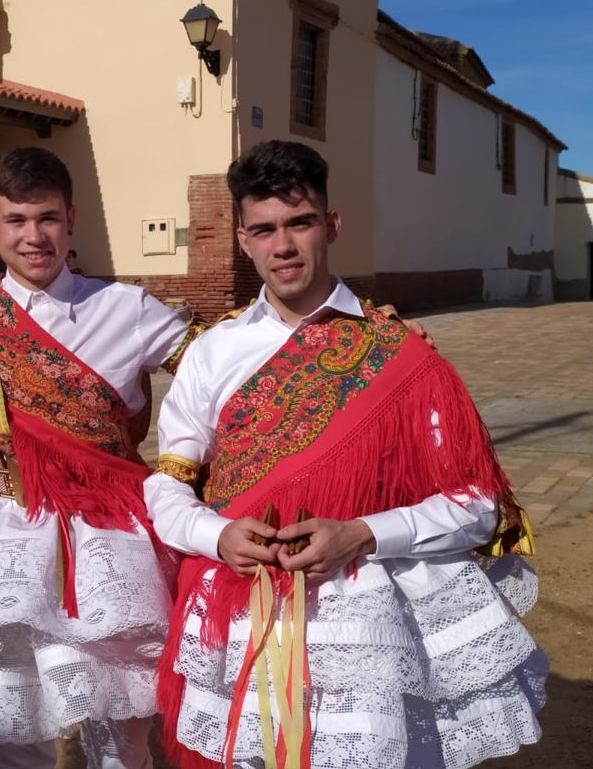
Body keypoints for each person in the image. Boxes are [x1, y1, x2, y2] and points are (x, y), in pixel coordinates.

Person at [148, 140, 544, 769]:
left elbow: (477, 506)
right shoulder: (211, 352)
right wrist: (216, 534)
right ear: (244, 240)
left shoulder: (401, 355)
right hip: (241, 605)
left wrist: (362, 533)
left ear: (331, 225)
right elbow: (167, 486)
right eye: (264, 230)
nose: (283, 247)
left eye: (300, 223)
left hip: (367, 625)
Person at [0, 147, 205, 769]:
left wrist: (362, 339)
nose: (34, 238)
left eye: (48, 219)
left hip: (112, 533)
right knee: (15, 718)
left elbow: (229, 370)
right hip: (7, 529)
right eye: (17, 221)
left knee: (123, 726)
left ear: (71, 219)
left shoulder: (127, 308)